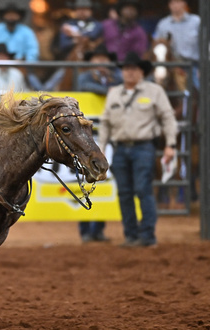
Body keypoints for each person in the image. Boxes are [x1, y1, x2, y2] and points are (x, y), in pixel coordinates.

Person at [98, 52, 178, 248]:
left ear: (142, 72)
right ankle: (131, 235)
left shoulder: (154, 91)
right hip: (120, 148)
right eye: (126, 69)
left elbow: (168, 118)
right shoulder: (114, 92)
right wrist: (100, 148)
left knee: (143, 190)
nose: (129, 72)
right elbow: (105, 123)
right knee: (125, 193)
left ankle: (147, 235)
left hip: (144, 146)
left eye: (134, 69)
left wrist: (171, 144)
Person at [75, 44, 121, 243]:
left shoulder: (116, 78)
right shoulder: (85, 77)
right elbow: (84, 87)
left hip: (108, 133)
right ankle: (85, 229)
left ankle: (99, 228)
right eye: (97, 59)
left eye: (104, 59)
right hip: (86, 136)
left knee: (104, 180)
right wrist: (107, 90)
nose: (101, 63)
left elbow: (119, 88)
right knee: (86, 179)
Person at [153, 0, 201, 88]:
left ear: (184, 3)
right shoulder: (163, 24)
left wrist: (202, 68)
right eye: (172, 2)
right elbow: (156, 46)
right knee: (153, 85)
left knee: (201, 90)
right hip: (170, 66)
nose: (175, 5)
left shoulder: (196, 22)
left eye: (178, 2)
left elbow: (206, 47)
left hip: (192, 65)